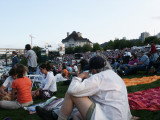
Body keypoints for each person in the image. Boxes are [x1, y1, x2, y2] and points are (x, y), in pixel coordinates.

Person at [36, 56, 132, 120]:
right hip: (119, 116)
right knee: (76, 115)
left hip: (107, 117)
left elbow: (72, 90)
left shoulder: (98, 77)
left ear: (94, 70)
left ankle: (57, 118)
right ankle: (56, 114)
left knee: (72, 93)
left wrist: (80, 76)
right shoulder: (114, 75)